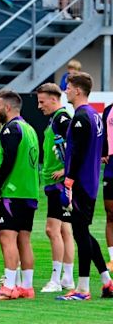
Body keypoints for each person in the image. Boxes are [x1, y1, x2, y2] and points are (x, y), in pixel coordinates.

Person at [57, 72, 113, 300]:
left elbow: (78, 152)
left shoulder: (80, 117)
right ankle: (107, 281)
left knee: (80, 235)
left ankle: (82, 289)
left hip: (80, 183)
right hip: (89, 181)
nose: (66, 91)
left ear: (78, 90)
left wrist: (69, 178)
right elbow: (100, 148)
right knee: (84, 232)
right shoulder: (95, 115)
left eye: (69, 88)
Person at [0, 90, 39, 301]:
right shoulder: (29, 128)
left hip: (12, 192)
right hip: (29, 192)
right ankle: (26, 287)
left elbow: (7, 161)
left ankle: (8, 287)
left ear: (7, 108)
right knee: (24, 239)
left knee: (7, 237)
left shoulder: (11, 130)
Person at [36, 83, 75, 293]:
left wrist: (66, 170)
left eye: (42, 102)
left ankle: (55, 280)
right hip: (56, 182)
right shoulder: (57, 119)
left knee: (52, 229)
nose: (40, 106)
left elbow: (74, 145)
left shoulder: (61, 118)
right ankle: (67, 278)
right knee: (64, 230)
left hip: (58, 183)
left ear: (53, 99)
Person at [103, 100, 113, 271]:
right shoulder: (108, 110)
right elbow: (103, 136)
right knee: (110, 213)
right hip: (111, 167)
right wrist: (103, 152)